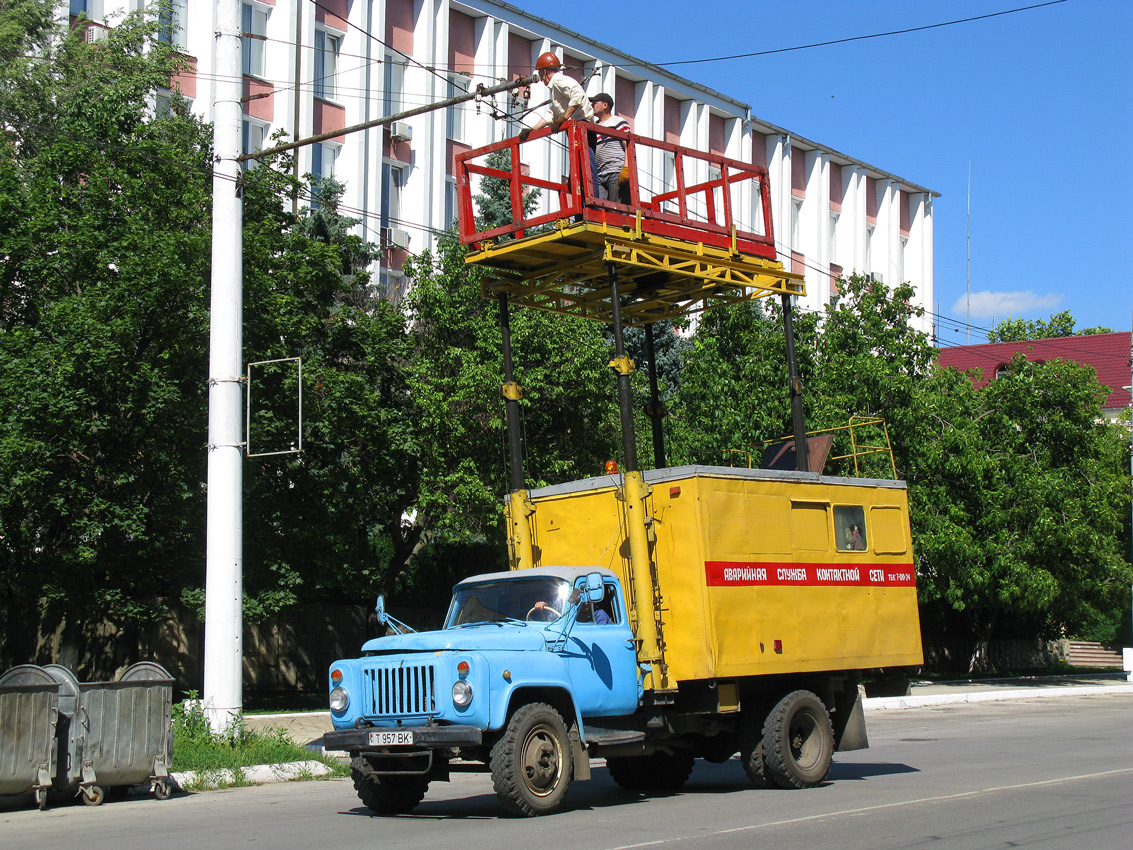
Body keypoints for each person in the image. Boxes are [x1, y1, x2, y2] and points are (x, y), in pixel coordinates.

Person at [518, 53, 593, 142]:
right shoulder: (557, 86)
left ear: (544, 71)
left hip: (581, 126)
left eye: (540, 73)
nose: (541, 79)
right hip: (578, 127)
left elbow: (578, 95)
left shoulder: (557, 80)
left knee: (585, 155)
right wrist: (534, 129)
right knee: (581, 155)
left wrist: (564, 118)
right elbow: (553, 112)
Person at [589, 93, 630, 204]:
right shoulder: (594, 126)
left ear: (605, 105)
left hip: (616, 171)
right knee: (599, 208)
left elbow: (629, 145)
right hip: (600, 174)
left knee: (617, 209)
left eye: (595, 103)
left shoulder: (617, 121)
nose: (592, 105)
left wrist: (626, 168)